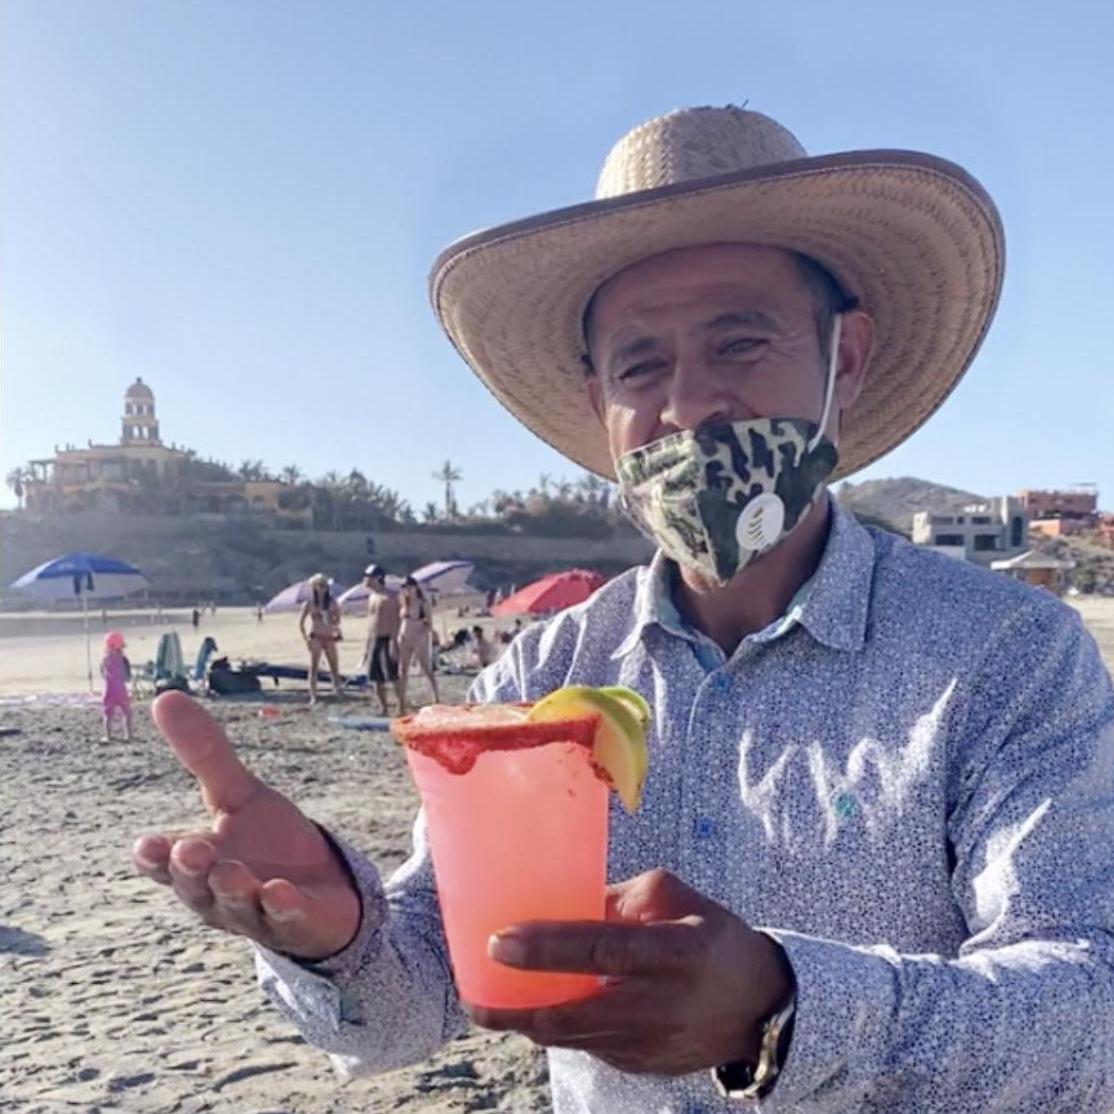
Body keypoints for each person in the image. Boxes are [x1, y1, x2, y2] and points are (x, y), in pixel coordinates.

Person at [133, 106, 1114, 1112]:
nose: (691, 404)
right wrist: (337, 934)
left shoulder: (1003, 654)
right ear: (598, 397)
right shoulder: (539, 678)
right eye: (641, 365)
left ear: (845, 358)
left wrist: (783, 1007)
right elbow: (426, 998)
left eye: (740, 340)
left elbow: (1090, 1006)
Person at [362, 564, 403, 715]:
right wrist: (367, 644)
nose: (365, 580)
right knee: (375, 676)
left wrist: (394, 642)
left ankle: (401, 705)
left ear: (378, 578)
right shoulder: (372, 596)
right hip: (374, 638)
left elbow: (395, 621)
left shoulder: (389, 597)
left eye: (369, 577)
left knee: (392, 675)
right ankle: (383, 707)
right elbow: (371, 621)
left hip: (387, 638)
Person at [297, 573, 342, 707]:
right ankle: (313, 695)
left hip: (329, 636)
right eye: (320, 585)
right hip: (316, 635)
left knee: (334, 666)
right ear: (314, 587)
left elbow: (338, 620)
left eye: (324, 585)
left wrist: (332, 620)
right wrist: (306, 640)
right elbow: (301, 623)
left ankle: (337, 691)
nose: (323, 588)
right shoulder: (309, 603)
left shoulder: (332, 602)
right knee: (314, 667)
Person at [398, 576, 440, 708]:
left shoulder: (423, 603)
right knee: (402, 669)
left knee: (426, 667)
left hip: (419, 637)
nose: (407, 591)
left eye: (409, 587)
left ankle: (436, 696)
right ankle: (402, 700)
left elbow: (429, 623)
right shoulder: (404, 602)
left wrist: (423, 634)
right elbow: (402, 621)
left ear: (415, 587)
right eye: (405, 588)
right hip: (405, 636)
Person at [100, 631, 133, 742]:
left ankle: (107, 736)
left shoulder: (104, 659)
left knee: (107, 714)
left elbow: (102, 674)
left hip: (108, 689)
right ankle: (128, 735)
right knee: (126, 712)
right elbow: (128, 677)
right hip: (120, 689)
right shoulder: (123, 660)